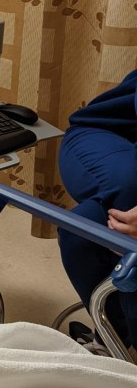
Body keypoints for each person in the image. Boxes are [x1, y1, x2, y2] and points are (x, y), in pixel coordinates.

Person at [57, 69, 137, 349]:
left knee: (81, 230)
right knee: (129, 189)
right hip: (104, 132)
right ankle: (121, 344)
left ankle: (111, 338)